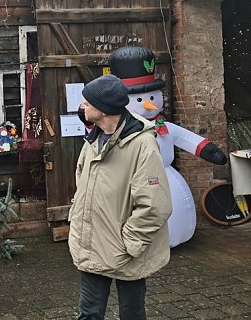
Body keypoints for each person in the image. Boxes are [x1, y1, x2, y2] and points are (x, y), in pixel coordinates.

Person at [69, 75, 172, 320]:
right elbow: (82, 181)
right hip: (93, 244)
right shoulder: (92, 139)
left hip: (127, 249)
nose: (81, 107)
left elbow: (155, 205)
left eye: (86, 103)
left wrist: (131, 242)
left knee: (132, 314)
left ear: (103, 109)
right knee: (89, 314)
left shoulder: (143, 145)